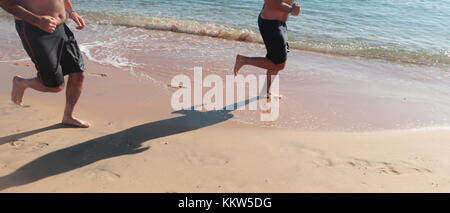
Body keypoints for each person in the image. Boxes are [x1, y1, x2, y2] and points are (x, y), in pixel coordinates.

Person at [0, 0, 91, 128]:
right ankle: (22, 83)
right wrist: (37, 20)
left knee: (78, 73)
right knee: (55, 86)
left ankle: (68, 116)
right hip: (35, 29)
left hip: (60, 27)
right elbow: (5, 3)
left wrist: (71, 11)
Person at [233, 0, 300, 99]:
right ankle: (243, 60)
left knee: (279, 60)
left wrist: (294, 6)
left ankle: (266, 92)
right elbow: (270, 2)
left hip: (281, 24)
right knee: (278, 63)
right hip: (271, 24)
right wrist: (290, 9)